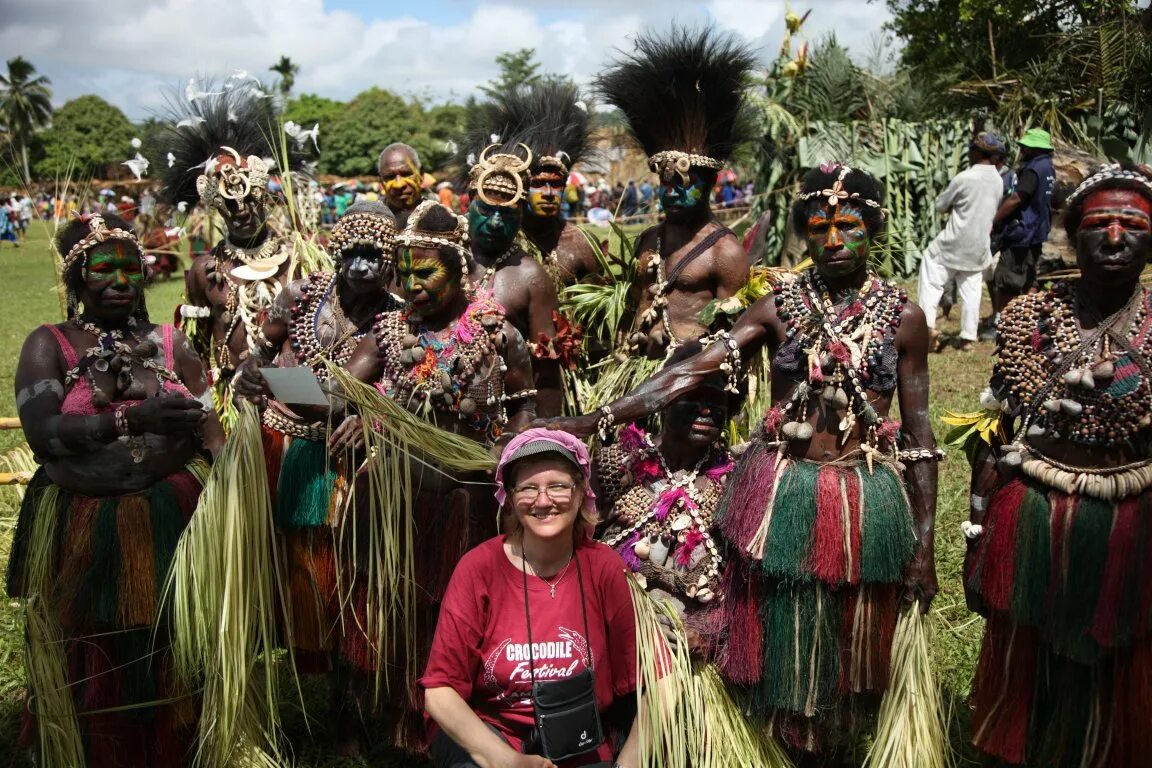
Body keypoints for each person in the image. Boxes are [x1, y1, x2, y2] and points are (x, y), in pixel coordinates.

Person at [541, 164, 939, 760]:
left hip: (865, 493)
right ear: (803, 232)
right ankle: (782, 734)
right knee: (778, 612)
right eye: (820, 226)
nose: (833, 240)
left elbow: (919, 434)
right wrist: (596, 420)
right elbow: (689, 371)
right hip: (782, 487)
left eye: (849, 226)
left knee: (854, 621)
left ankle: (836, 736)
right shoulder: (778, 308)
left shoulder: (903, 318)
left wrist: (926, 544)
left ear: (873, 229)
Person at [7, 213, 223, 765]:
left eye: (132, 268)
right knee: (89, 638)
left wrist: (226, 442)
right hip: (83, 519)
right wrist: (131, 420)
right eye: (104, 268)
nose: (120, 280)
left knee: (168, 634)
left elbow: (209, 430)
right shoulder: (49, 344)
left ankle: (174, 744)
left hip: (168, 515)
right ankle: (85, 745)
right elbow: (44, 434)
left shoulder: (172, 346)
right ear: (78, 279)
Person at [964, 164, 1152, 767]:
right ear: (1072, 235)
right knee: (1030, 648)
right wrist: (976, 532)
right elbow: (993, 435)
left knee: (1121, 657)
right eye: (1099, 224)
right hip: (1034, 510)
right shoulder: (1028, 318)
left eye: (1133, 225)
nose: (1116, 238)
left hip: (1134, 522)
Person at [339, 201, 538, 749]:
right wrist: (358, 411)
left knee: (461, 615)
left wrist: (514, 469)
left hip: (468, 501)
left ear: (458, 272)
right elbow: (340, 388)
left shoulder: (498, 338)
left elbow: (529, 413)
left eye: (427, 274)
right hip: (396, 496)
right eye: (407, 275)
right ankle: (404, 722)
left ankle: (468, 724)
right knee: (399, 606)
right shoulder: (390, 330)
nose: (414, 286)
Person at [422, 429, 640, 768]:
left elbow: (658, 684)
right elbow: (439, 691)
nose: (542, 501)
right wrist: (506, 761)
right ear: (508, 498)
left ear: (581, 492)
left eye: (557, 486)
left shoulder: (604, 568)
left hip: (580, 738)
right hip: (494, 737)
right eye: (527, 488)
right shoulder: (479, 569)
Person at [597, 26, 753, 361]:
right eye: (666, 183)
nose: (672, 193)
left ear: (710, 184)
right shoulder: (649, 240)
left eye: (684, 183)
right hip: (632, 381)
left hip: (689, 388)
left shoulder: (725, 253)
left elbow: (736, 345)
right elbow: (631, 308)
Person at [159, 85, 309, 427]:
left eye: (248, 200)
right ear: (215, 206)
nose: (241, 211)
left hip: (296, 403)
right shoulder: (205, 271)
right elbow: (193, 354)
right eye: (229, 204)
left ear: (261, 194)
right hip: (234, 406)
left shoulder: (298, 259)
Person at [461, 141, 566, 418]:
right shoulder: (443, 257)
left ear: (521, 214)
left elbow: (548, 374)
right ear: (468, 202)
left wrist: (545, 439)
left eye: (506, 214)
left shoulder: (531, 278)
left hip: (504, 423)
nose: (495, 222)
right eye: (486, 210)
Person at [481, 82, 602, 289]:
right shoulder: (497, 238)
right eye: (538, 184)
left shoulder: (581, 244)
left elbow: (597, 314)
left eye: (556, 185)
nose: (548, 193)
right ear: (522, 188)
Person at [917, 131, 1007, 352]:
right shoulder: (997, 180)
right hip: (978, 246)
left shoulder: (964, 178)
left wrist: (950, 207)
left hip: (953, 243)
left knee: (931, 275)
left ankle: (927, 327)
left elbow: (940, 205)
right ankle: (968, 337)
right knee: (972, 290)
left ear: (975, 152)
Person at [990, 127, 1055, 324]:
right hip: (1037, 231)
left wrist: (994, 220)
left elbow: (1017, 198)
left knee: (1006, 280)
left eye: (1026, 147)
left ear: (1035, 148)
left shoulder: (1033, 168)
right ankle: (1029, 321)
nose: (1022, 150)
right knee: (1029, 278)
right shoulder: (1048, 167)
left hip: (1022, 233)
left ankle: (1004, 323)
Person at [378, 142, 425, 228]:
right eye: (390, 177)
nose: (398, 185)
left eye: (406, 174)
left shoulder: (445, 221)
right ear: (381, 181)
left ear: (421, 175)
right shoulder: (368, 221)